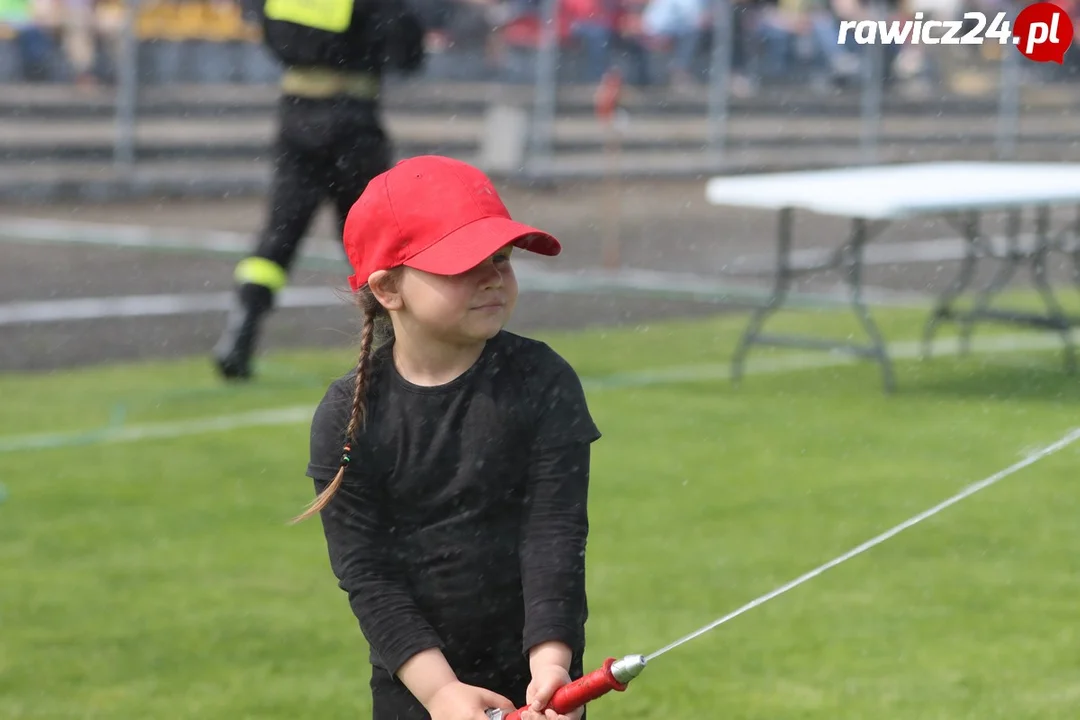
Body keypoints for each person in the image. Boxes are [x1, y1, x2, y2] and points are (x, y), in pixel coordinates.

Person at [296, 155, 602, 720]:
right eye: (464, 263)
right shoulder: (349, 415)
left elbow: (555, 533)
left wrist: (553, 664)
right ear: (388, 287)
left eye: (503, 259)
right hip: (417, 683)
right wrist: (440, 694)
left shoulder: (543, 380)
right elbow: (368, 574)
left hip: (540, 676)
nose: (494, 277)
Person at [213, 0, 426, 380]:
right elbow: (408, 53)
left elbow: (268, 30)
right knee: (370, 240)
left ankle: (239, 335)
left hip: (297, 119)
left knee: (278, 237)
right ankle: (392, 347)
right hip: (354, 122)